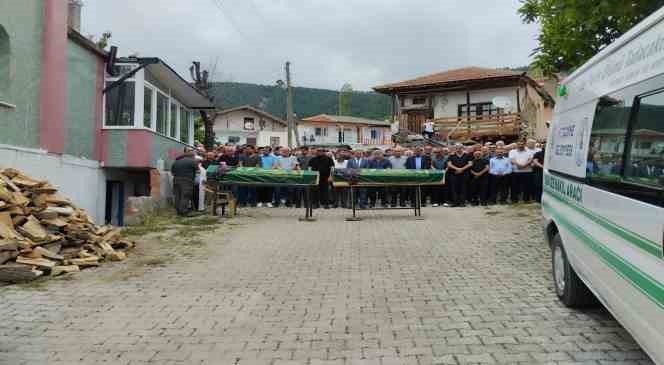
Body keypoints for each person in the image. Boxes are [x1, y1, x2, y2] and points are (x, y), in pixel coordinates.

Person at [171, 147, 198, 216]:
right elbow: (198, 170)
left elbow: (172, 171)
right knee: (185, 195)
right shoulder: (192, 161)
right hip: (187, 180)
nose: (193, 152)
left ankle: (178, 212)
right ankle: (184, 212)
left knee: (178, 196)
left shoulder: (177, 161)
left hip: (176, 180)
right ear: (187, 152)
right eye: (192, 151)